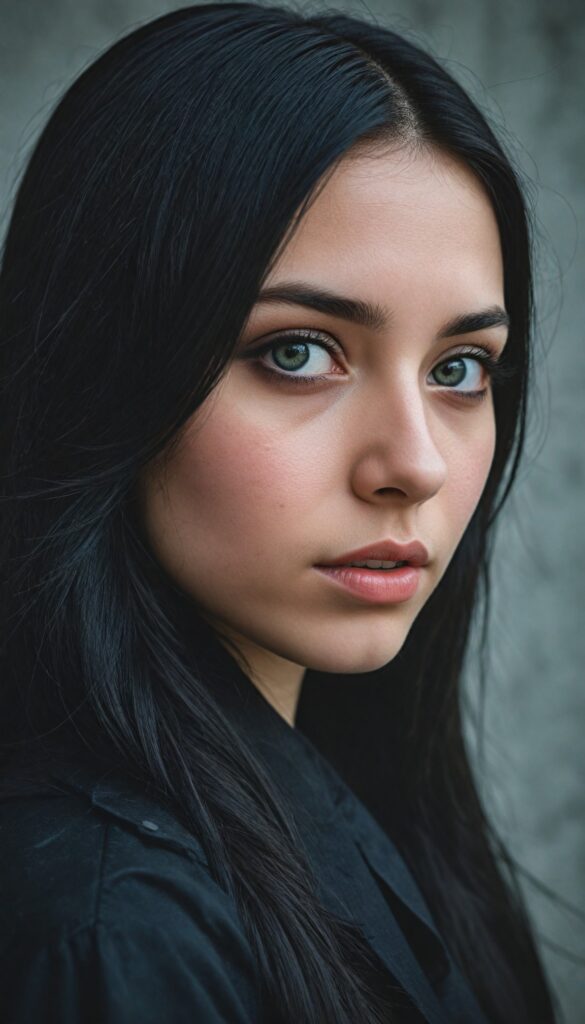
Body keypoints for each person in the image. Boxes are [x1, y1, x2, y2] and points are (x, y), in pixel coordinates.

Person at [0, 3, 561, 1022]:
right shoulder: (116, 934)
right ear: (106, 369)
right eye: (297, 351)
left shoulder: (354, 804)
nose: (416, 463)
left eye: (460, 368)